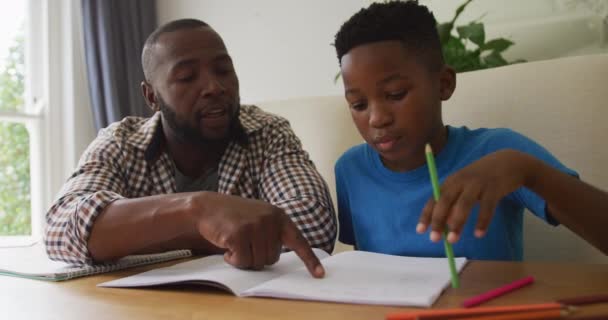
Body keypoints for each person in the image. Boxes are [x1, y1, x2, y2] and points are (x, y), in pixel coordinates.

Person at [45, 19, 336, 277]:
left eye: (223, 70)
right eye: (187, 77)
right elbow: (60, 229)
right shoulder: (120, 142)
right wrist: (195, 212)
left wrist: (136, 236)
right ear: (151, 96)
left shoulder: (267, 132)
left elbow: (312, 223)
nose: (214, 87)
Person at [333, 0, 608, 260]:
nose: (377, 119)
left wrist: (529, 173)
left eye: (395, 94)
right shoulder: (350, 169)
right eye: (358, 104)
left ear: (443, 84)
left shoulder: (498, 152)